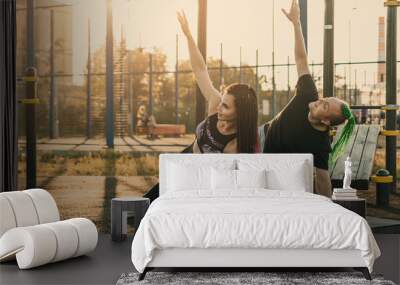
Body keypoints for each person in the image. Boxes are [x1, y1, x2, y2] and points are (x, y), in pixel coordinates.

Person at [260, 0, 355, 198]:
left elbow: (322, 178)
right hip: (263, 136)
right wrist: (296, 24)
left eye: (325, 105)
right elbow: (301, 59)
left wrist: (328, 211)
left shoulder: (319, 144)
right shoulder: (308, 93)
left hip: (278, 164)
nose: (320, 100)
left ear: (326, 121)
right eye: (325, 98)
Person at [177, 10, 260, 153]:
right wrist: (189, 36)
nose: (219, 107)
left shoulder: (235, 145)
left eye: (226, 106)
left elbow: (213, 172)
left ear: (240, 113)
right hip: (184, 158)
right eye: (222, 102)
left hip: (198, 171)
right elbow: (200, 70)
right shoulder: (216, 102)